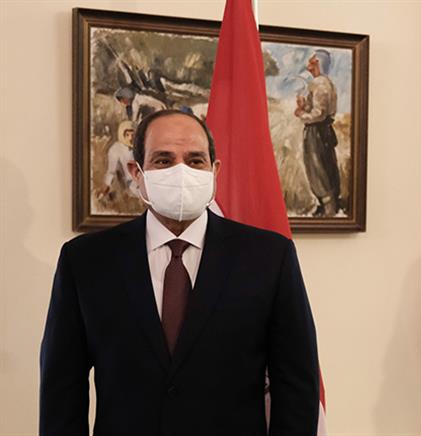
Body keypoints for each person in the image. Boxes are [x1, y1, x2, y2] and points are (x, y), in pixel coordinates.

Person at [40, 109, 320, 435]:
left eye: (195, 160)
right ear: (136, 172)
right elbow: (62, 388)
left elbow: (296, 383)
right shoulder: (86, 260)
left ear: (214, 171)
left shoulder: (269, 257)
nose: (181, 171)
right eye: (163, 160)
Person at [294, 49, 342, 217]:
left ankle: (328, 208)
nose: (309, 63)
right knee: (324, 165)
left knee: (317, 167)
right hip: (321, 131)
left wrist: (302, 114)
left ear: (318, 64)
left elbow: (319, 114)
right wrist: (303, 106)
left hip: (316, 132)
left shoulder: (320, 83)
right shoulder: (323, 83)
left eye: (312, 61)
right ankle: (327, 204)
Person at [97, 120, 138, 200]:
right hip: (131, 185)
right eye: (127, 135)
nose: (130, 138)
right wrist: (106, 186)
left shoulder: (138, 146)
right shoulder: (116, 149)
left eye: (132, 135)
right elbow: (111, 171)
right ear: (122, 134)